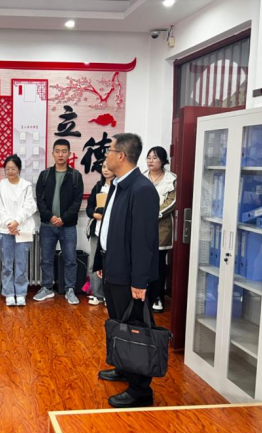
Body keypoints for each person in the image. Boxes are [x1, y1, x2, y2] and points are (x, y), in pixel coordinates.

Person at [93, 133, 160, 409]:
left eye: (109, 150)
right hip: (113, 267)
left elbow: (144, 240)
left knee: (134, 329)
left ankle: (140, 390)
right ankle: (123, 367)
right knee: (118, 324)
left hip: (131, 276)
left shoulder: (141, 189)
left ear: (121, 156)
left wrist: (139, 281)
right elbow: (109, 227)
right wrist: (100, 262)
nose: (106, 155)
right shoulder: (119, 185)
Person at [34, 139, 84, 305]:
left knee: (70, 259)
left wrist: (63, 219)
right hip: (47, 225)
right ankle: (47, 287)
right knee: (46, 259)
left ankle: (70, 289)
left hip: (68, 226)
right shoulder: (45, 175)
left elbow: (77, 202)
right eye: (57, 151)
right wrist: (50, 217)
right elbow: (40, 200)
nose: (61, 154)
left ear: (69, 154)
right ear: (53, 153)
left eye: (64, 151)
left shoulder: (75, 176)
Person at [0, 155, 37, 307]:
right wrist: (9, 224)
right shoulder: (0, 186)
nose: (10, 171)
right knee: (7, 264)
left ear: (19, 169)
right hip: (5, 230)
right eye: (7, 169)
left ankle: (21, 293)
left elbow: (29, 206)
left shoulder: (26, 186)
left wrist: (16, 221)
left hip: (23, 229)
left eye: (13, 168)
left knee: (21, 263)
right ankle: (8, 293)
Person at [144, 147, 177, 313]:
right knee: (144, 262)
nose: (151, 161)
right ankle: (144, 296)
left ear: (163, 161)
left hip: (161, 227)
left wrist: (155, 213)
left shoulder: (171, 179)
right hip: (143, 227)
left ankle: (158, 296)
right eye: (149, 157)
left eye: (155, 158)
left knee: (158, 263)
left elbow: (172, 201)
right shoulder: (141, 177)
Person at [85, 162, 115, 306]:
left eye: (109, 167)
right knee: (93, 263)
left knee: (111, 265)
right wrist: (94, 214)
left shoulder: (119, 187)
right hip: (97, 232)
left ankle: (110, 296)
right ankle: (97, 294)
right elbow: (89, 207)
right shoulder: (98, 186)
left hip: (113, 234)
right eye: (103, 167)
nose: (106, 170)